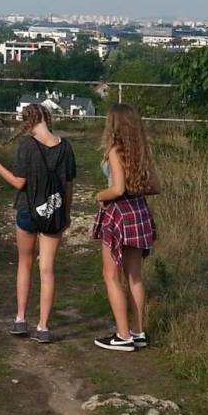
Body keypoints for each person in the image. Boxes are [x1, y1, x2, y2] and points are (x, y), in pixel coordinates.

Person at [0, 102, 76, 344]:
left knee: (25, 263)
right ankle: (43, 327)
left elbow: (18, 182)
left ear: (28, 122)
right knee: (47, 269)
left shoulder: (27, 145)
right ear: (47, 118)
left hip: (27, 211)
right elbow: (68, 185)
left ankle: (21, 318)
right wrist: (66, 215)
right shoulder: (66, 147)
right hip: (54, 212)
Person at [92, 103, 159, 352]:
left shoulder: (114, 151)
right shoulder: (141, 152)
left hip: (119, 214)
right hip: (139, 212)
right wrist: (136, 187)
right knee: (135, 277)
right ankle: (138, 332)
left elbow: (117, 189)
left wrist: (100, 195)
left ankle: (123, 335)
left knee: (111, 275)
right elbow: (155, 186)